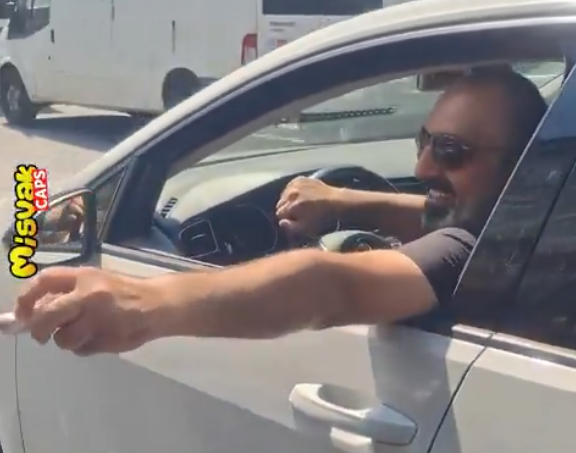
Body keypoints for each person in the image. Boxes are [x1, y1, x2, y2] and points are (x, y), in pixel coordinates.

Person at [13, 69, 548, 356]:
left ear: (525, 164)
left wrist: (146, 301)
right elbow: (438, 211)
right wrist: (344, 202)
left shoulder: (478, 252)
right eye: (423, 140)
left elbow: (330, 286)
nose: (422, 165)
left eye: (451, 151)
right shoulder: (543, 220)